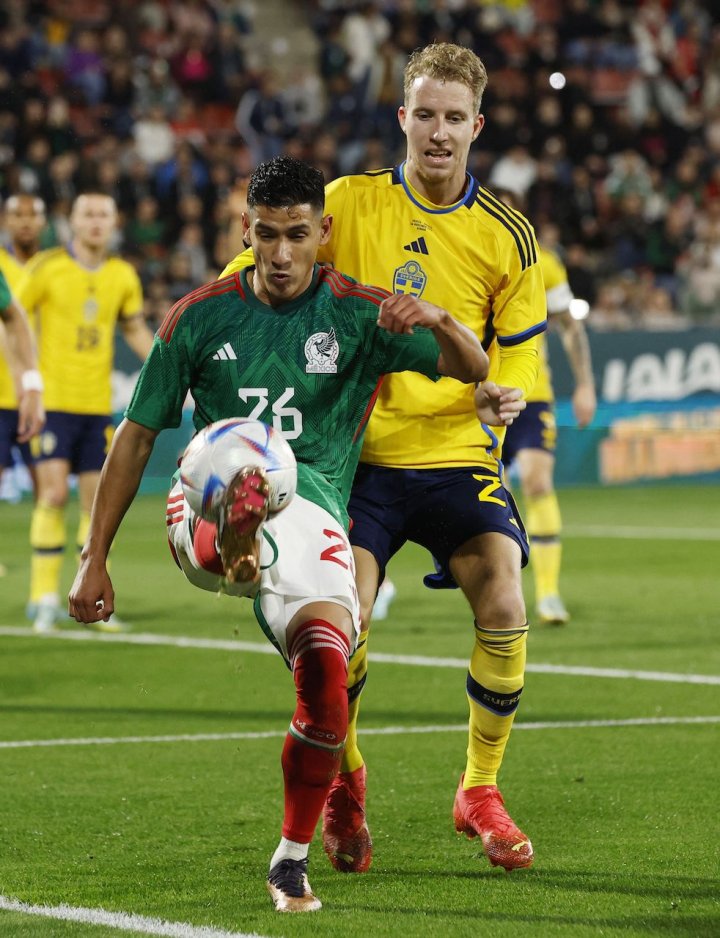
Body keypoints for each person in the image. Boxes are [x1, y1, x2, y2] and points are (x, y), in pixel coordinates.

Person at [68, 156, 489, 912]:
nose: (284, 253)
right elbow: (134, 439)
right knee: (235, 485)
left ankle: (294, 852)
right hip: (205, 491)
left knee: (329, 674)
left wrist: (437, 318)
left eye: (299, 235)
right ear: (246, 231)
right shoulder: (199, 317)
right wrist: (92, 559)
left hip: (315, 509)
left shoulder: (361, 312)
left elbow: (472, 364)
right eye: (268, 236)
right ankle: (233, 539)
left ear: (324, 232)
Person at [222, 42, 547, 876]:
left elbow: (519, 354)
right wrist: (211, 315)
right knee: (342, 620)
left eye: (454, 118)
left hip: (453, 456)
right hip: (353, 459)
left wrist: (498, 392)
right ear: (402, 118)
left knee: (506, 596)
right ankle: (347, 781)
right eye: (424, 115)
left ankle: (478, 789)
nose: (438, 133)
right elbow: (263, 265)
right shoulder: (348, 204)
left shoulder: (508, 235)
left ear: (477, 125)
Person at [18, 193, 154, 633]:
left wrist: (167, 368)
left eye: (104, 215)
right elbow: (13, 318)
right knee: (53, 495)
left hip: (98, 406)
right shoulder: (48, 268)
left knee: (96, 509)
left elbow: (133, 327)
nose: (96, 222)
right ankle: (42, 598)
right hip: (54, 403)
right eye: (88, 215)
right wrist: (28, 383)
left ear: (115, 222)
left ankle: (89, 601)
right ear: (71, 222)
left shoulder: (122, 275)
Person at [497, 192, 597, 624]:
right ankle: (501, 595)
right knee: (492, 499)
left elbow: (570, 327)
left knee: (537, 483)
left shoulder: (544, 261)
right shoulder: (465, 248)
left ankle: (549, 595)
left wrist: (586, 386)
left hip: (533, 393)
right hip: (484, 396)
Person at [0, 194, 47, 503]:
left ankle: (43, 552)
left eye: (32, 215)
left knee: (49, 493)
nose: (26, 221)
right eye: (18, 215)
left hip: (43, 396)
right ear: (6, 220)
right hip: (2, 391)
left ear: (43, 222)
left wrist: (32, 382)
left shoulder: (57, 267)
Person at [0, 269, 45, 519]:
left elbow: (14, 318)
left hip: (21, 401)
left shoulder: (46, 267)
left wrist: (31, 383)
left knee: (47, 488)